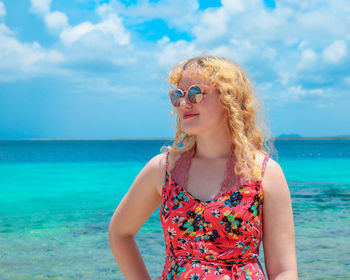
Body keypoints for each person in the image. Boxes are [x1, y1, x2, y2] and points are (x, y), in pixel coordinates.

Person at [108, 56, 298, 279]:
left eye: (195, 94)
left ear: (228, 98)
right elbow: (119, 232)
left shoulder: (264, 173)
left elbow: (284, 270)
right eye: (178, 96)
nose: (184, 104)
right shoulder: (162, 170)